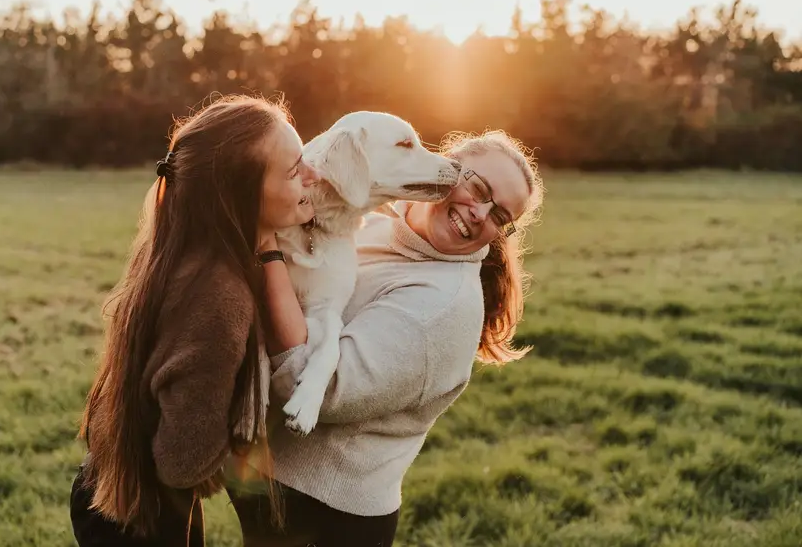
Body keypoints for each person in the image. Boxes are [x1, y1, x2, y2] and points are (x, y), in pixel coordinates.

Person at [227, 130, 545, 547]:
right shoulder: (366, 224)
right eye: (478, 188)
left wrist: (266, 250)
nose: (478, 213)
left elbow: (314, 388)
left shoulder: (443, 307)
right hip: (270, 482)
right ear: (446, 168)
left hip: (325, 513)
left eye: (500, 216)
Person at [69, 94, 320, 547]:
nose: (313, 175)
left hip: (115, 488)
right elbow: (183, 462)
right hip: (142, 520)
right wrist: (252, 447)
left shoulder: (178, 249)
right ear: (240, 196)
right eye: (293, 170)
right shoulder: (219, 297)